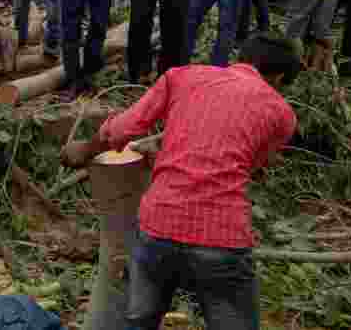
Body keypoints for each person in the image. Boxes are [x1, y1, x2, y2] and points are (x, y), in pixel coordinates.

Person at [60, 33, 304, 330]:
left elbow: (125, 127)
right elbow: (250, 165)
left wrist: (83, 150)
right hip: (222, 239)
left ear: (243, 57)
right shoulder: (281, 114)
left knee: (139, 321)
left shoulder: (183, 77)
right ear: (278, 76)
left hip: (158, 227)